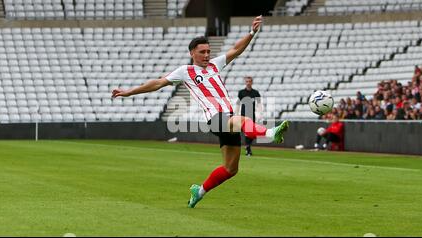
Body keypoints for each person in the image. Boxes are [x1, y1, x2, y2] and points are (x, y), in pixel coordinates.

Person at [111, 15, 290, 208]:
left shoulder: (215, 64)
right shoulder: (185, 71)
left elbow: (236, 50)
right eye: (202, 52)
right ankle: (271, 133)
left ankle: (199, 191)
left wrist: (252, 32)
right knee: (242, 119)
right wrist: (128, 92)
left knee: (231, 169)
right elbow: (158, 83)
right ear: (192, 53)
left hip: (227, 119)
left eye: (208, 51)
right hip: (215, 119)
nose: (206, 55)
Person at [236, 76, 262, 156]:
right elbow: (238, 104)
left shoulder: (255, 93)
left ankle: (247, 146)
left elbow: (259, 104)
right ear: (245, 82)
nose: (248, 83)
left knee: (253, 134)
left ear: (252, 82)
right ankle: (248, 148)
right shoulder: (241, 92)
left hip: (252, 115)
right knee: (246, 133)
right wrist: (236, 113)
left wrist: (259, 114)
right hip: (243, 116)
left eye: (249, 81)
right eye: (247, 81)